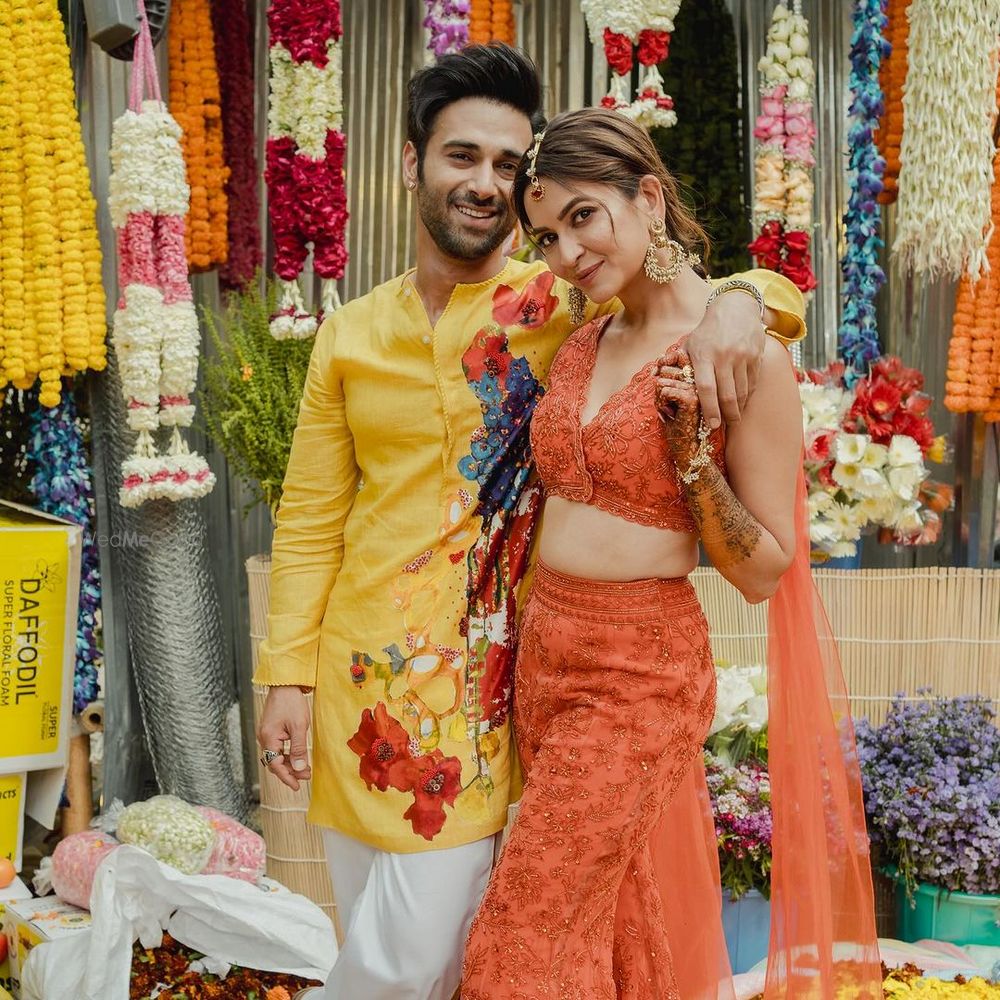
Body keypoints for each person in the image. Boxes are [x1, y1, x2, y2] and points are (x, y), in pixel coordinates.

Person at [253, 46, 806, 1000]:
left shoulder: (557, 304)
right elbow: (308, 518)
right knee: (408, 946)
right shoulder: (349, 334)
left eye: (508, 169)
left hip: (485, 690)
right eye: (461, 156)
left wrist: (749, 305)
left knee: (439, 956)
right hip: (360, 681)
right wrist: (286, 673)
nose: (485, 185)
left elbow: (692, 288)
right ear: (410, 162)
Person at [462, 108, 882, 1000]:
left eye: (584, 216)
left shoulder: (743, 358)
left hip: (637, 674)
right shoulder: (583, 337)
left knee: (521, 939)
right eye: (545, 234)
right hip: (547, 659)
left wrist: (694, 456)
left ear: (649, 197)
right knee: (612, 920)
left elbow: (765, 570)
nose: (567, 252)